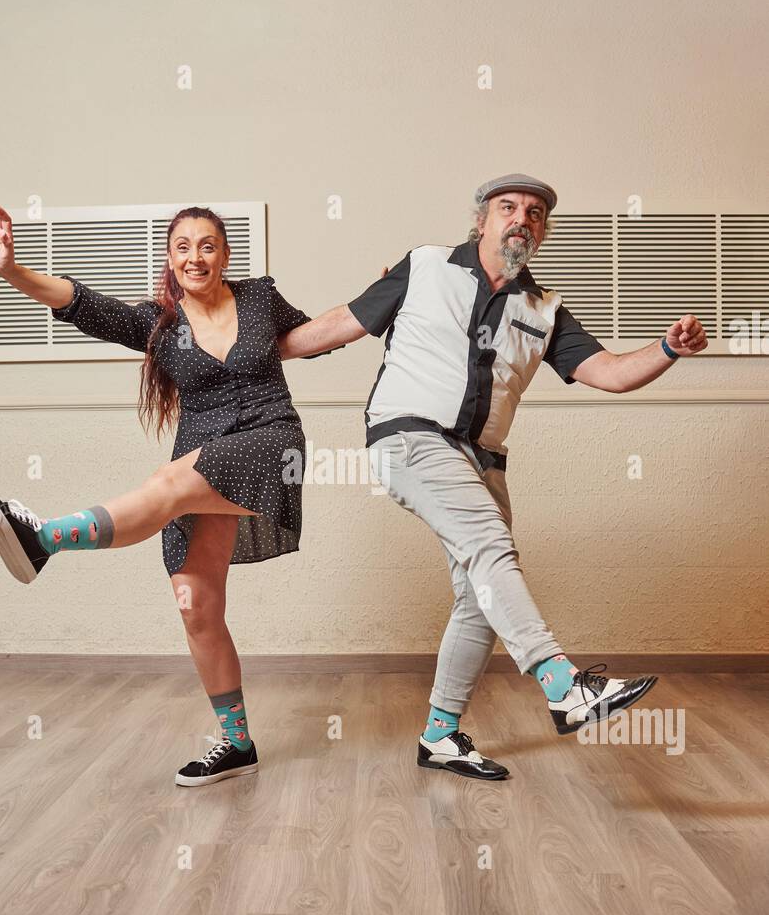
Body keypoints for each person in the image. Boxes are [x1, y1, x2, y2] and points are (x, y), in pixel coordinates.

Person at [276, 172, 708, 782]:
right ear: (481, 220)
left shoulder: (544, 308)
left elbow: (609, 372)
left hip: (482, 459)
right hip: (409, 435)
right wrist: (246, 350)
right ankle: (563, 685)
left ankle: (440, 736)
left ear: (542, 233)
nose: (521, 219)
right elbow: (340, 324)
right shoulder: (424, 267)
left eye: (535, 213)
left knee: (481, 597)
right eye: (509, 207)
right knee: (489, 546)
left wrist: (665, 347)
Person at [0, 200, 325, 788]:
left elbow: (312, 336)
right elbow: (83, 304)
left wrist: (387, 300)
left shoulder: (259, 298)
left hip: (268, 442)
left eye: (207, 245)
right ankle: (237, 745)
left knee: (164, 487)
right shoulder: (159, 322)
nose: (195, 256)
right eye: (183, 246)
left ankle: (42, 538)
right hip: (200, 458)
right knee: (197, 609)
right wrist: (10, 269)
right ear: (170, 258)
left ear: (225, 254)